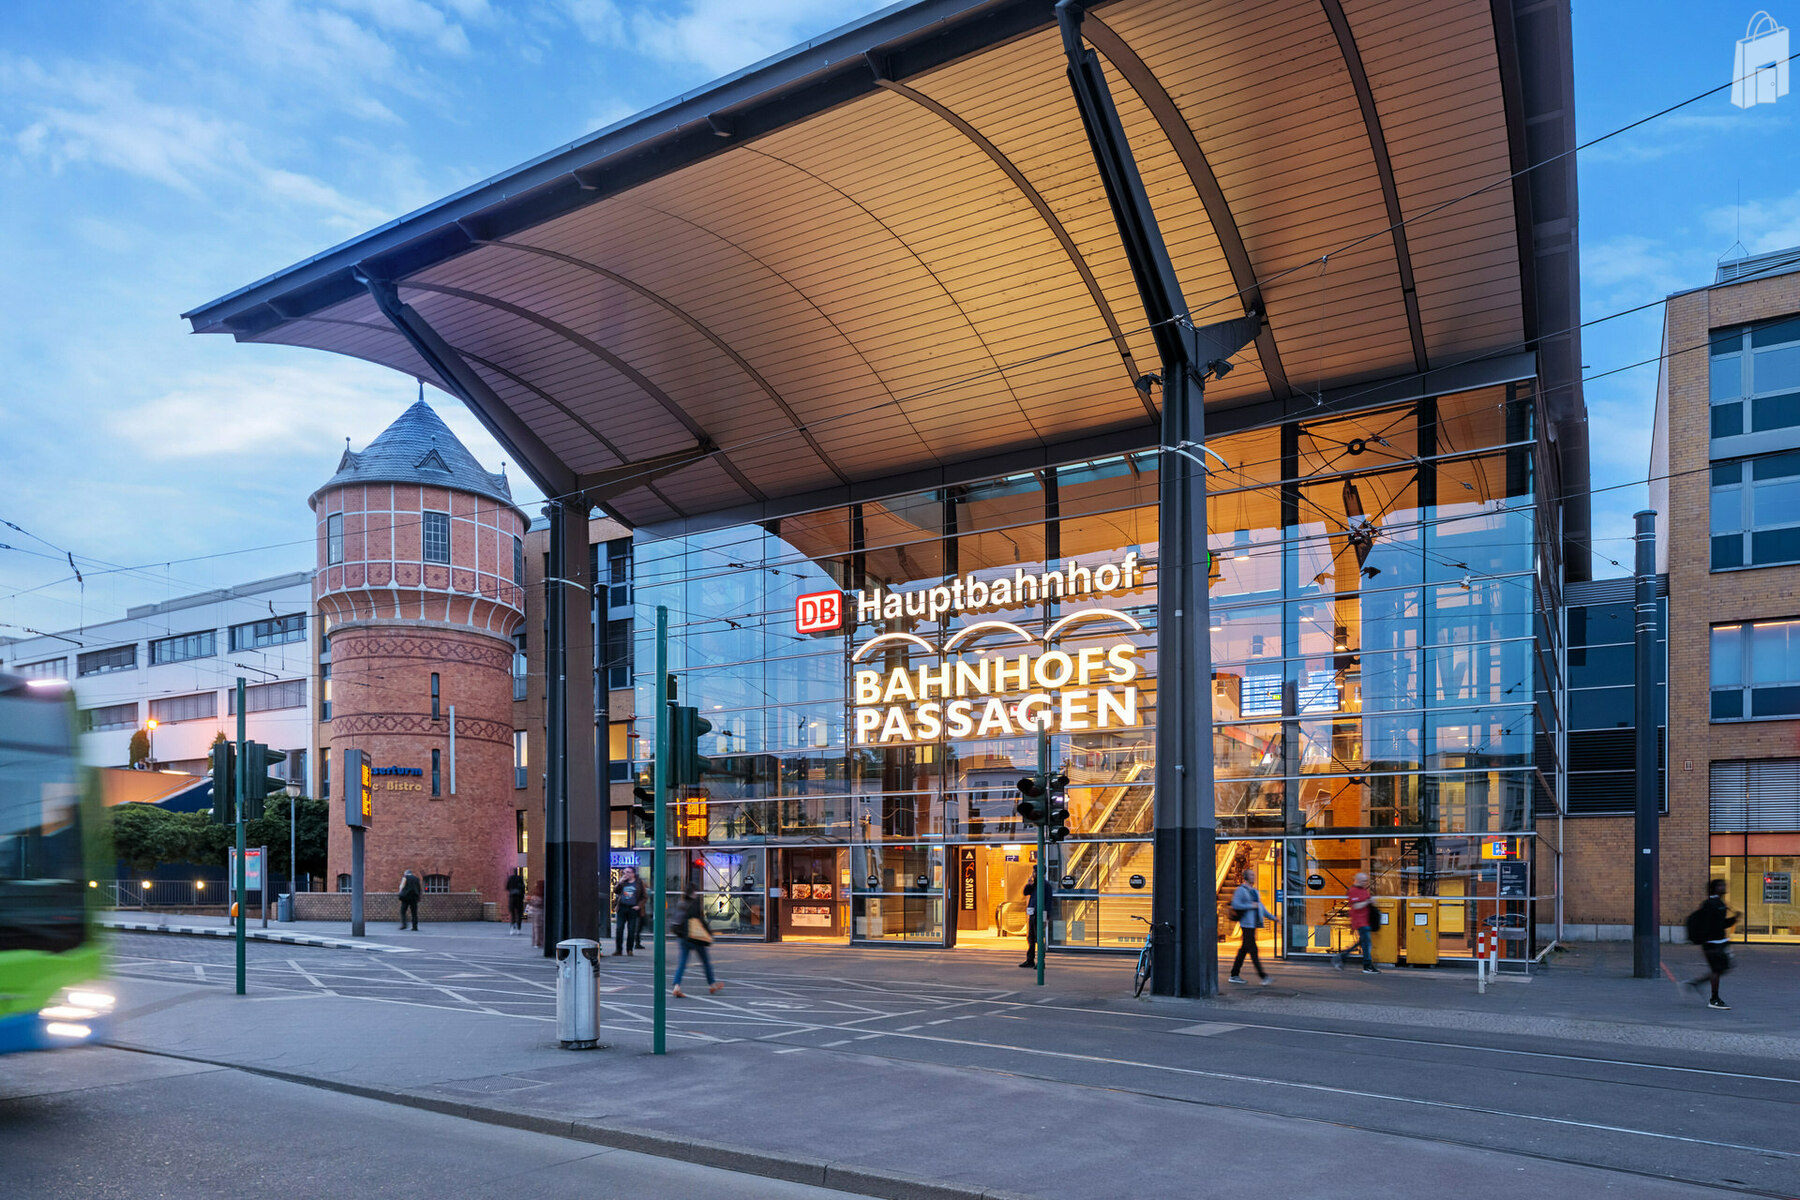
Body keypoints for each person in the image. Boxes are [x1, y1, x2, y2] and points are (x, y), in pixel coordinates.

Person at [1686, 878, 1738, 1010]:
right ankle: (1714, 999)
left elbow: (1721, 924)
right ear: (1714, 888)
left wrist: (1734, 919)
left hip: (1721, 941)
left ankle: (1696, 983)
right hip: (1712, 943)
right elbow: (1708, 924)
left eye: (1724, 885)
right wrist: (1706, 943)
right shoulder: (1711, 903)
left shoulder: (1720, 903)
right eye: (1720, 885)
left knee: (1724, 968)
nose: (1723, 887)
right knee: (1717, 970)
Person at [670, 885, 721, 998]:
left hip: (682, 937)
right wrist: (709, 934)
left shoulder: (681, 904)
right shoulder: (694, 904)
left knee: (682, 963)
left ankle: (676, 986)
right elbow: (700, 921)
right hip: (694, 937)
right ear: (693, 893)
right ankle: (712, 984)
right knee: (705, 961)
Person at [1228, 874, 1275, 984]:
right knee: (1253, 951)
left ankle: (1234, 974)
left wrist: (1273, 918)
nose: (1253, 876)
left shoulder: (1254, 891)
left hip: (1253, 925)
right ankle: (1263, 977)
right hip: (1246, 925)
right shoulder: (1241, 890)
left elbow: (1261, 907)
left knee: (1243, 950)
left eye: (1253, 875)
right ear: (1246, 877)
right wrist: (1251, 905)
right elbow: (1236, 904)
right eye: (1251, 875)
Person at [1334, 872, 1380, 974]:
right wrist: (1368, 902)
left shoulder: (1364, 890)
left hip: (1366, 921)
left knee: (1363, 943)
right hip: (1360, 922)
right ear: (1358, 880)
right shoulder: (1353, 891)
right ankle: (1367, 966)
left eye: (1366, 881)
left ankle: (1341, 957)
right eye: (1364, 881)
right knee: (1366, 944)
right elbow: (1356, 906)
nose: (1366, 882)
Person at [613, 866, 645, 957]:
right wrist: (620, 882)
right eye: (625, 872)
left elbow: (644, 896)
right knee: (619, 929)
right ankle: (618, 950)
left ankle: (629, 949)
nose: (625, 874)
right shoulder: (623, 882)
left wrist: (638, 906)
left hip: (632, 909)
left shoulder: (638, 883)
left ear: (632, 873)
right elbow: (616, 891)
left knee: (631, 930)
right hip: (622, 907)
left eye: (627, 872)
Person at [1019, 874, 1039, 969]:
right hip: (1032, 914)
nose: (1033, 875)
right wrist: (1029, 884)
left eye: (1034, 872)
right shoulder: (1034, 886)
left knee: (1038, 939)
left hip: (1039, 914)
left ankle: (1040, 961)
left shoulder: (1044, 885)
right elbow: (1025, 892)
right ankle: (1030, 960)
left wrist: (1046, 915)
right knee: (1031, 938)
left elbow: (1047, 899)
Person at [504, 869, 525, 935]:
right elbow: (523, 888)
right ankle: (518, 929)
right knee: (519, 914)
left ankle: (512, 928)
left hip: (512, 898)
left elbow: (507, 887)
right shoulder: (520, 878)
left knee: (513, 914)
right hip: (519, 898)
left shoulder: (510, 878)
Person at [526, 879, 546, 948]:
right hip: (538, 912)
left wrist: (530, 900)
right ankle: (537, 942)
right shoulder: (541, 894)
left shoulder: (538, 894)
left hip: (538, 913)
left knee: (537, 928)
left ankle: (537, 942)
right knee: (537, 928)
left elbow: (536, 902)